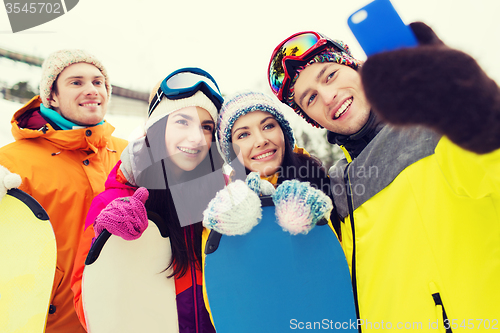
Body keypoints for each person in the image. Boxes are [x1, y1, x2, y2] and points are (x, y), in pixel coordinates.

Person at [267, 24, 500, 328]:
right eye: (310, 99)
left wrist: (475, 107)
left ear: (358, 67)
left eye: (330, 75)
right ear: (310, 119)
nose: (327, 96)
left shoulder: (434, 133)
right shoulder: (335, 184)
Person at [71, 67, 225, 332]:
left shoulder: (223, 196)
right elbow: (88, 304)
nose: (197, 138)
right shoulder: (114, 201)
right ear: (156, 129)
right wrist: (107, 242)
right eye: (182, 121)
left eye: (206, 127)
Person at [0, 49, 127, 333]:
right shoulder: (10, 162)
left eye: (98, 82)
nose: (91, 90)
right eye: (76, 82)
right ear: (52, 96)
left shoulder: (129, 154)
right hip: (52, 322)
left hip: (121, 315)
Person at [203, 91, 335, 238]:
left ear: (283, 132)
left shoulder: (325, 180)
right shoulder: (225, 205)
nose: (261, 141)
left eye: (268, 126)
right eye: (243, 135)